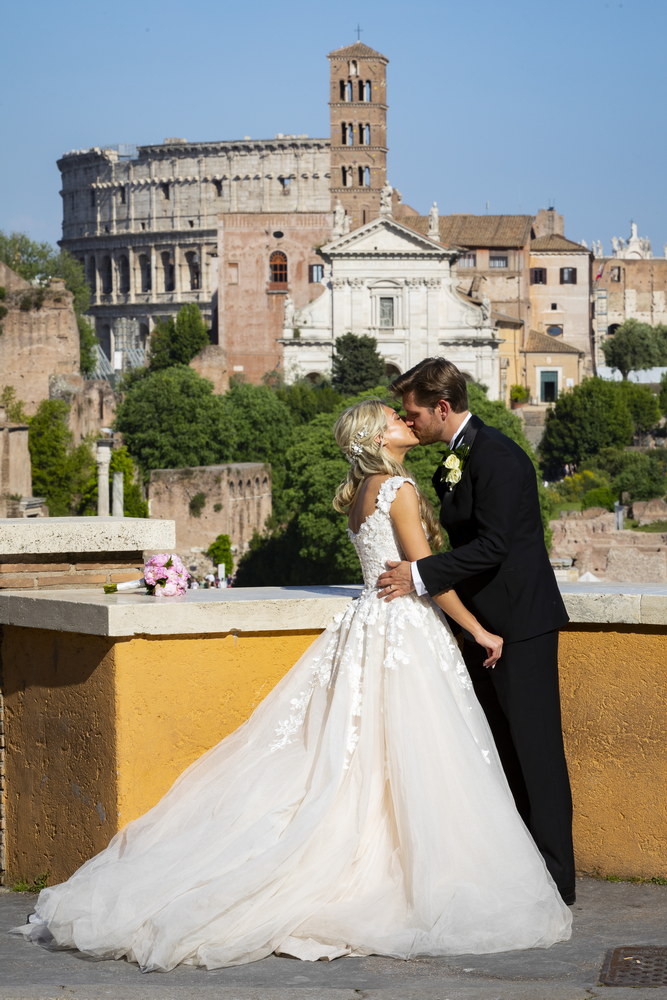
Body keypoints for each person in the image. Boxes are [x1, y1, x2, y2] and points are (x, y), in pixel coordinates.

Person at [13, 399, 571, 972]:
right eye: (394, 418)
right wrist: (479, 629)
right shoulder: (397, 489)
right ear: (377, 436)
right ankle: (407, 870)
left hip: (366, 625)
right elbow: (424, 573)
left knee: (359, 757)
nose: (405, 422)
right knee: (414, 752)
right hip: (403, 629)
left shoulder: (360, 492)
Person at [377, 358, 576, 905]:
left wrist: (418, 574)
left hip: (522, 624)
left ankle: (557, 881)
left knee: (536, 755)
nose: (408, 420)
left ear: (442, 407)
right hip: (484, 626)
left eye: (413, 411)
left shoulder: (500, 457)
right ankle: (519, 870)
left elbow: (495, 547)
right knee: (499, 753)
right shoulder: (458, 456)